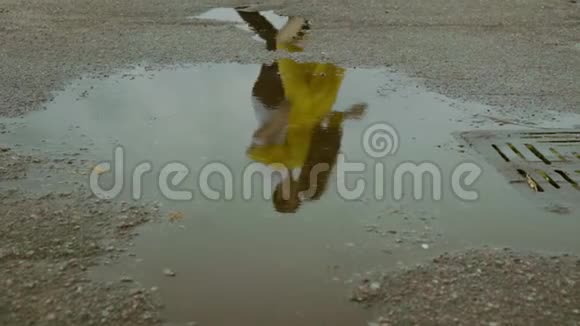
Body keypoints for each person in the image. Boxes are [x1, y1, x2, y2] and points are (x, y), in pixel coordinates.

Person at [237, 9, 367, 213]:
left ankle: (309, 14)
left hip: (296, 102)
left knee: (292, 48)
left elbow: (259, 143)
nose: (292, 193)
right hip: (298, 106)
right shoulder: (296, 161)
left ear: (279, 192)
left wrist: (280, 119)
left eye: (286, 196)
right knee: (283, 45)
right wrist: (281, 118)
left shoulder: (289, 165)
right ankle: (305, 12)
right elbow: (256, 148)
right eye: (294, 197)